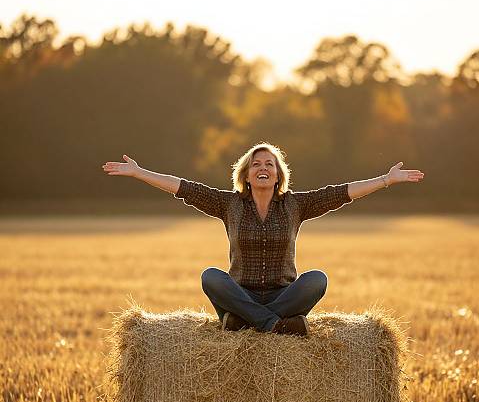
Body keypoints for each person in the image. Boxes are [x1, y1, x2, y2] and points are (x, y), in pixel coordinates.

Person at [102, 142, 424, 337]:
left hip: (283, 296)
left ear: (278, 175)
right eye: (256, 164)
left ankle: (248, 323)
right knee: (211, 277)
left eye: (269, 164)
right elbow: (183, 187)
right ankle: (272, 326)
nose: (262, 167)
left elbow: (340, 194)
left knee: (317, 280)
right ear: (245, 174)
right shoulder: (229, 203)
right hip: (240, 294)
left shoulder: (296, 204)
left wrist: (385, 180)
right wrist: (139, 172)